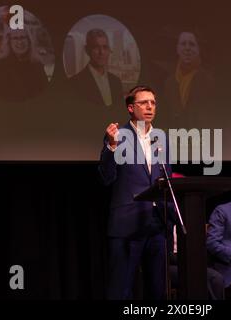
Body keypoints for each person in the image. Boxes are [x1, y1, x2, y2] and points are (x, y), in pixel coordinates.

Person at [98, 85, 170, 300]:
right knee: (121, 288)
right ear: (131, 108)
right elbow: (106, 177)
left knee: (157, 289)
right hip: (128, 224)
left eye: (153, 102)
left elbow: (165, 178)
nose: (150, 106)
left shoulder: (160, 137)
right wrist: (111, 146)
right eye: (144, 102)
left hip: (157, 223)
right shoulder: (119, 136)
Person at [163, 31, 214, 128]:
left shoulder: (208, 80)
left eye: (192, 44)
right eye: (183, 44)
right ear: (177, 49)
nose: (187, 48)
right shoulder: (169, 83)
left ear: (198, 49)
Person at [0, 28, 49, 102]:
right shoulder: (0, 66)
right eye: (15, 38)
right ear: (9, 42)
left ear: (29, 41)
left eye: (23, 37)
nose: (20, 42)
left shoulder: (37, 65)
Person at [69, 28, 123, 109]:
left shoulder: (116, 82)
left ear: (109, 50)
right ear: (87, 50)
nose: (101, 52)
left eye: (105, 47)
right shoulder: (74, 84)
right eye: (96, 47)